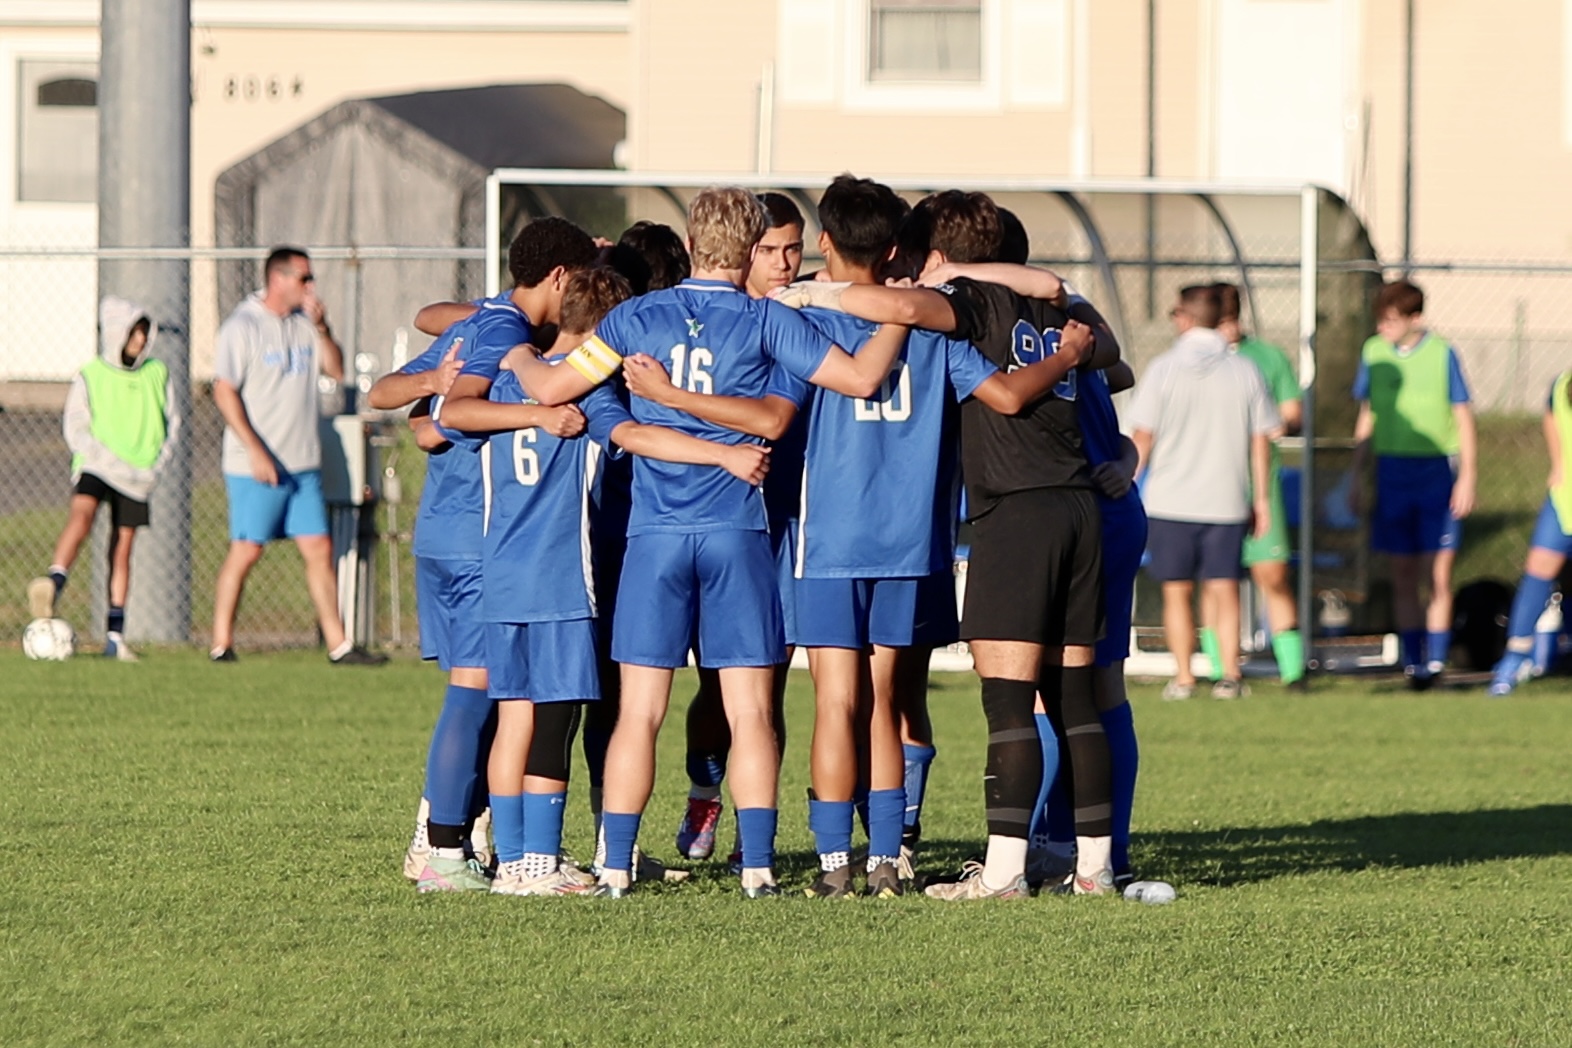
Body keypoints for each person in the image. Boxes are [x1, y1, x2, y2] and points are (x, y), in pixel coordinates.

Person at [630, 176, 1093, 898]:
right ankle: (887, 857)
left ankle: (831, 862)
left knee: (835, 702)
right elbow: (1004, 394)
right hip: (909, 543)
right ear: (899, 247)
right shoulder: (930, 327)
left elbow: (766, 405)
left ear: (823, 241)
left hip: (826, 541)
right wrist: (1064, 359)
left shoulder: (795, 318)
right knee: (883, 701)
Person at [509, 186, 913, 898]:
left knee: (640, 710)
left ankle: (613, 868)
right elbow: (857, 378)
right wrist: (905, 309)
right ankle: (756, 869)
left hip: (654, 536)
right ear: (752, 246)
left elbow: (553, 389)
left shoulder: (635, 316)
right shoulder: (764, 320)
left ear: (693, 245)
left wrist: (514, 361)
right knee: (752, 710)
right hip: (737, 533)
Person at [783, 190, 1119, 899]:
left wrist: (816, 295)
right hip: (1077, 506)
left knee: (1003, 703)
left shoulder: (959, 311)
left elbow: (920, 325)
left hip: (1012, 517)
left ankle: (996, 875)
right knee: (1076, 700)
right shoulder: (1055, 309)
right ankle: (1094, 869)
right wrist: (1065, 339)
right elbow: (1109, 360)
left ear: (937, 259)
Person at [370, 218, 599, 891]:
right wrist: (528, 414)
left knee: (486, 695)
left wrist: (428, 390)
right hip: (476, 537)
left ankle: (454, 842)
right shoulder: (504, 335)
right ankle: (438, 847)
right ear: (560, 277)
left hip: (439, 532)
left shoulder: (479, 322)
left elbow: (383, 393)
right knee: (477, 693)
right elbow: (460, 414)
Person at [674, 192, 806, 866]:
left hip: (781, 525)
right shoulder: (700, 318)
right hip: (703, 523)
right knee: (711, 684)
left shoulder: (806, 316)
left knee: (765, 682)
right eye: (769, 250)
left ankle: (756, 841)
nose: (784, 263)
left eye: (794, 248)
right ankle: (705, 788)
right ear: (741, 252)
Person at [209, 247, 385, 665]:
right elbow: (223, 390)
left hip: (302, 462)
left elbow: (336, 369)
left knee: (318, 549)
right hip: (258, 465)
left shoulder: (305, 325)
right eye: (303, 278)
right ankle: (221, 643)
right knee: (247, 549)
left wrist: (322, 327)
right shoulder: (243, 326)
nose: (310, 286)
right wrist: (255, 450)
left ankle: (338, 645)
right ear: (278, 278)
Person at [1129, 285, 1277, 700]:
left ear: (1185, 317)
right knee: (1224, 588)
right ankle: (1229, 675)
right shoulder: (1245, 370)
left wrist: (1124, 484)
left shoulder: (1163, 369)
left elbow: (1142, 435)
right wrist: (1260, 498)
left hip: (1170, 500)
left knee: (1177, 591)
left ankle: (1184, 676)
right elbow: (1261, 440)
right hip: (1226, 498)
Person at [29, 296, 182, 661]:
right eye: (134, 334)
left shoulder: (157, 373)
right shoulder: (91, 374)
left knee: (122, 547)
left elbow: (171, 423)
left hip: (137, 473)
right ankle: (54, 582)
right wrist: (100, 456)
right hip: (98, 465)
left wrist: (155, 465)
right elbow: (77, 426)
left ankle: (115, 636)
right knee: (81, 517)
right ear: (118, 334)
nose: (141, 341)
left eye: (145, 334)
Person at [1349, 279, 1477, 688]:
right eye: (1381, 320)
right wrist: (1356, 474)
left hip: (1435, 473)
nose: (1384, 328)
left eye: (1392, 320)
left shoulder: (1442, 353)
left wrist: (1468, 477)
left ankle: (1437, 661)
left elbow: (1462, 416)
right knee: (1402, 571)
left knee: (1436, 575)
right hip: (1392, 473)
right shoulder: (1374, 353)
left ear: (1414, 318)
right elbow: (1368, 414)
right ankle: (1413, 659)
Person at [1491, 369, 1572, 695]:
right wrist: (1557, 463)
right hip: (1564, 499)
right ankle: (1514, 660)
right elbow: (1552, 416)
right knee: (1538, 571)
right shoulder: (1562, 383)